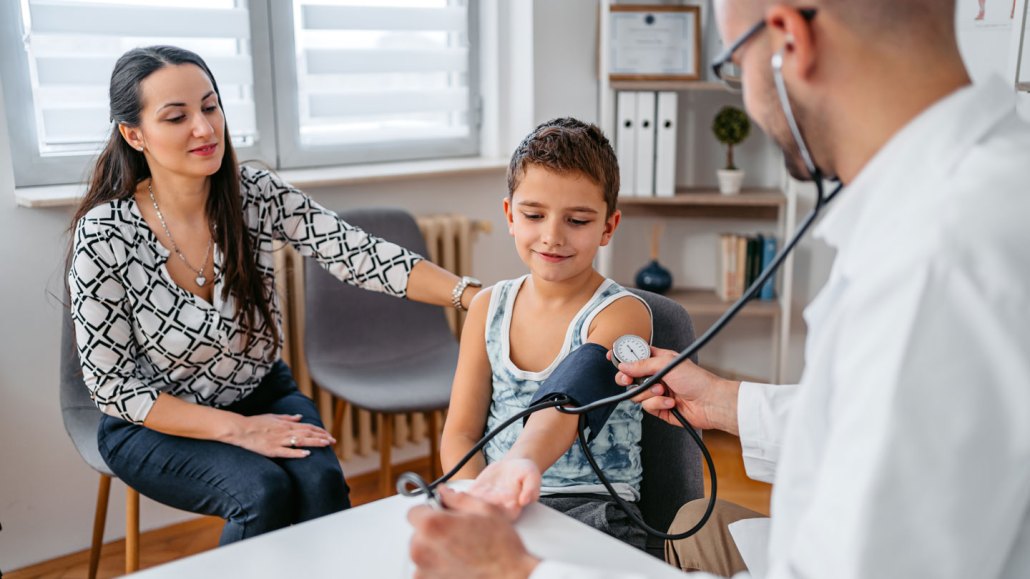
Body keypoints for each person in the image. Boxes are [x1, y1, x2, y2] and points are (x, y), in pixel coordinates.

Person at [407, 0, 1030, 577]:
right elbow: (857, 430)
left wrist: (521, 571)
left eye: (734, 63)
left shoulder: (934, 264)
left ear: (789, 40)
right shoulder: (976, 202)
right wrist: (729, 403)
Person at [67, 45, 480, 545]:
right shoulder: (103, 233)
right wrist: (239, 430)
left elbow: (357, 252)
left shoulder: (254, 193)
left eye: (210, 106)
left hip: (261, 390)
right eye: (177, 117)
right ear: (134, 135)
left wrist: (469, 295)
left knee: (322, 482)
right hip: (153, 420)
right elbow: (114, 387)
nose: (204, 128)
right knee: (259, 492)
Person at [439, 118, 653, 550]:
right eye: (534, 215)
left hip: (596, 510)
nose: (552, 236)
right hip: (498, 497)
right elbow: (460, 435)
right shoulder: (486, 310)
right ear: (510, 216)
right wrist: (481, 499)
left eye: (577, 220)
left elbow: (564, 411)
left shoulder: (621, 314)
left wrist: (515, 472)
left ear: (608, 228)